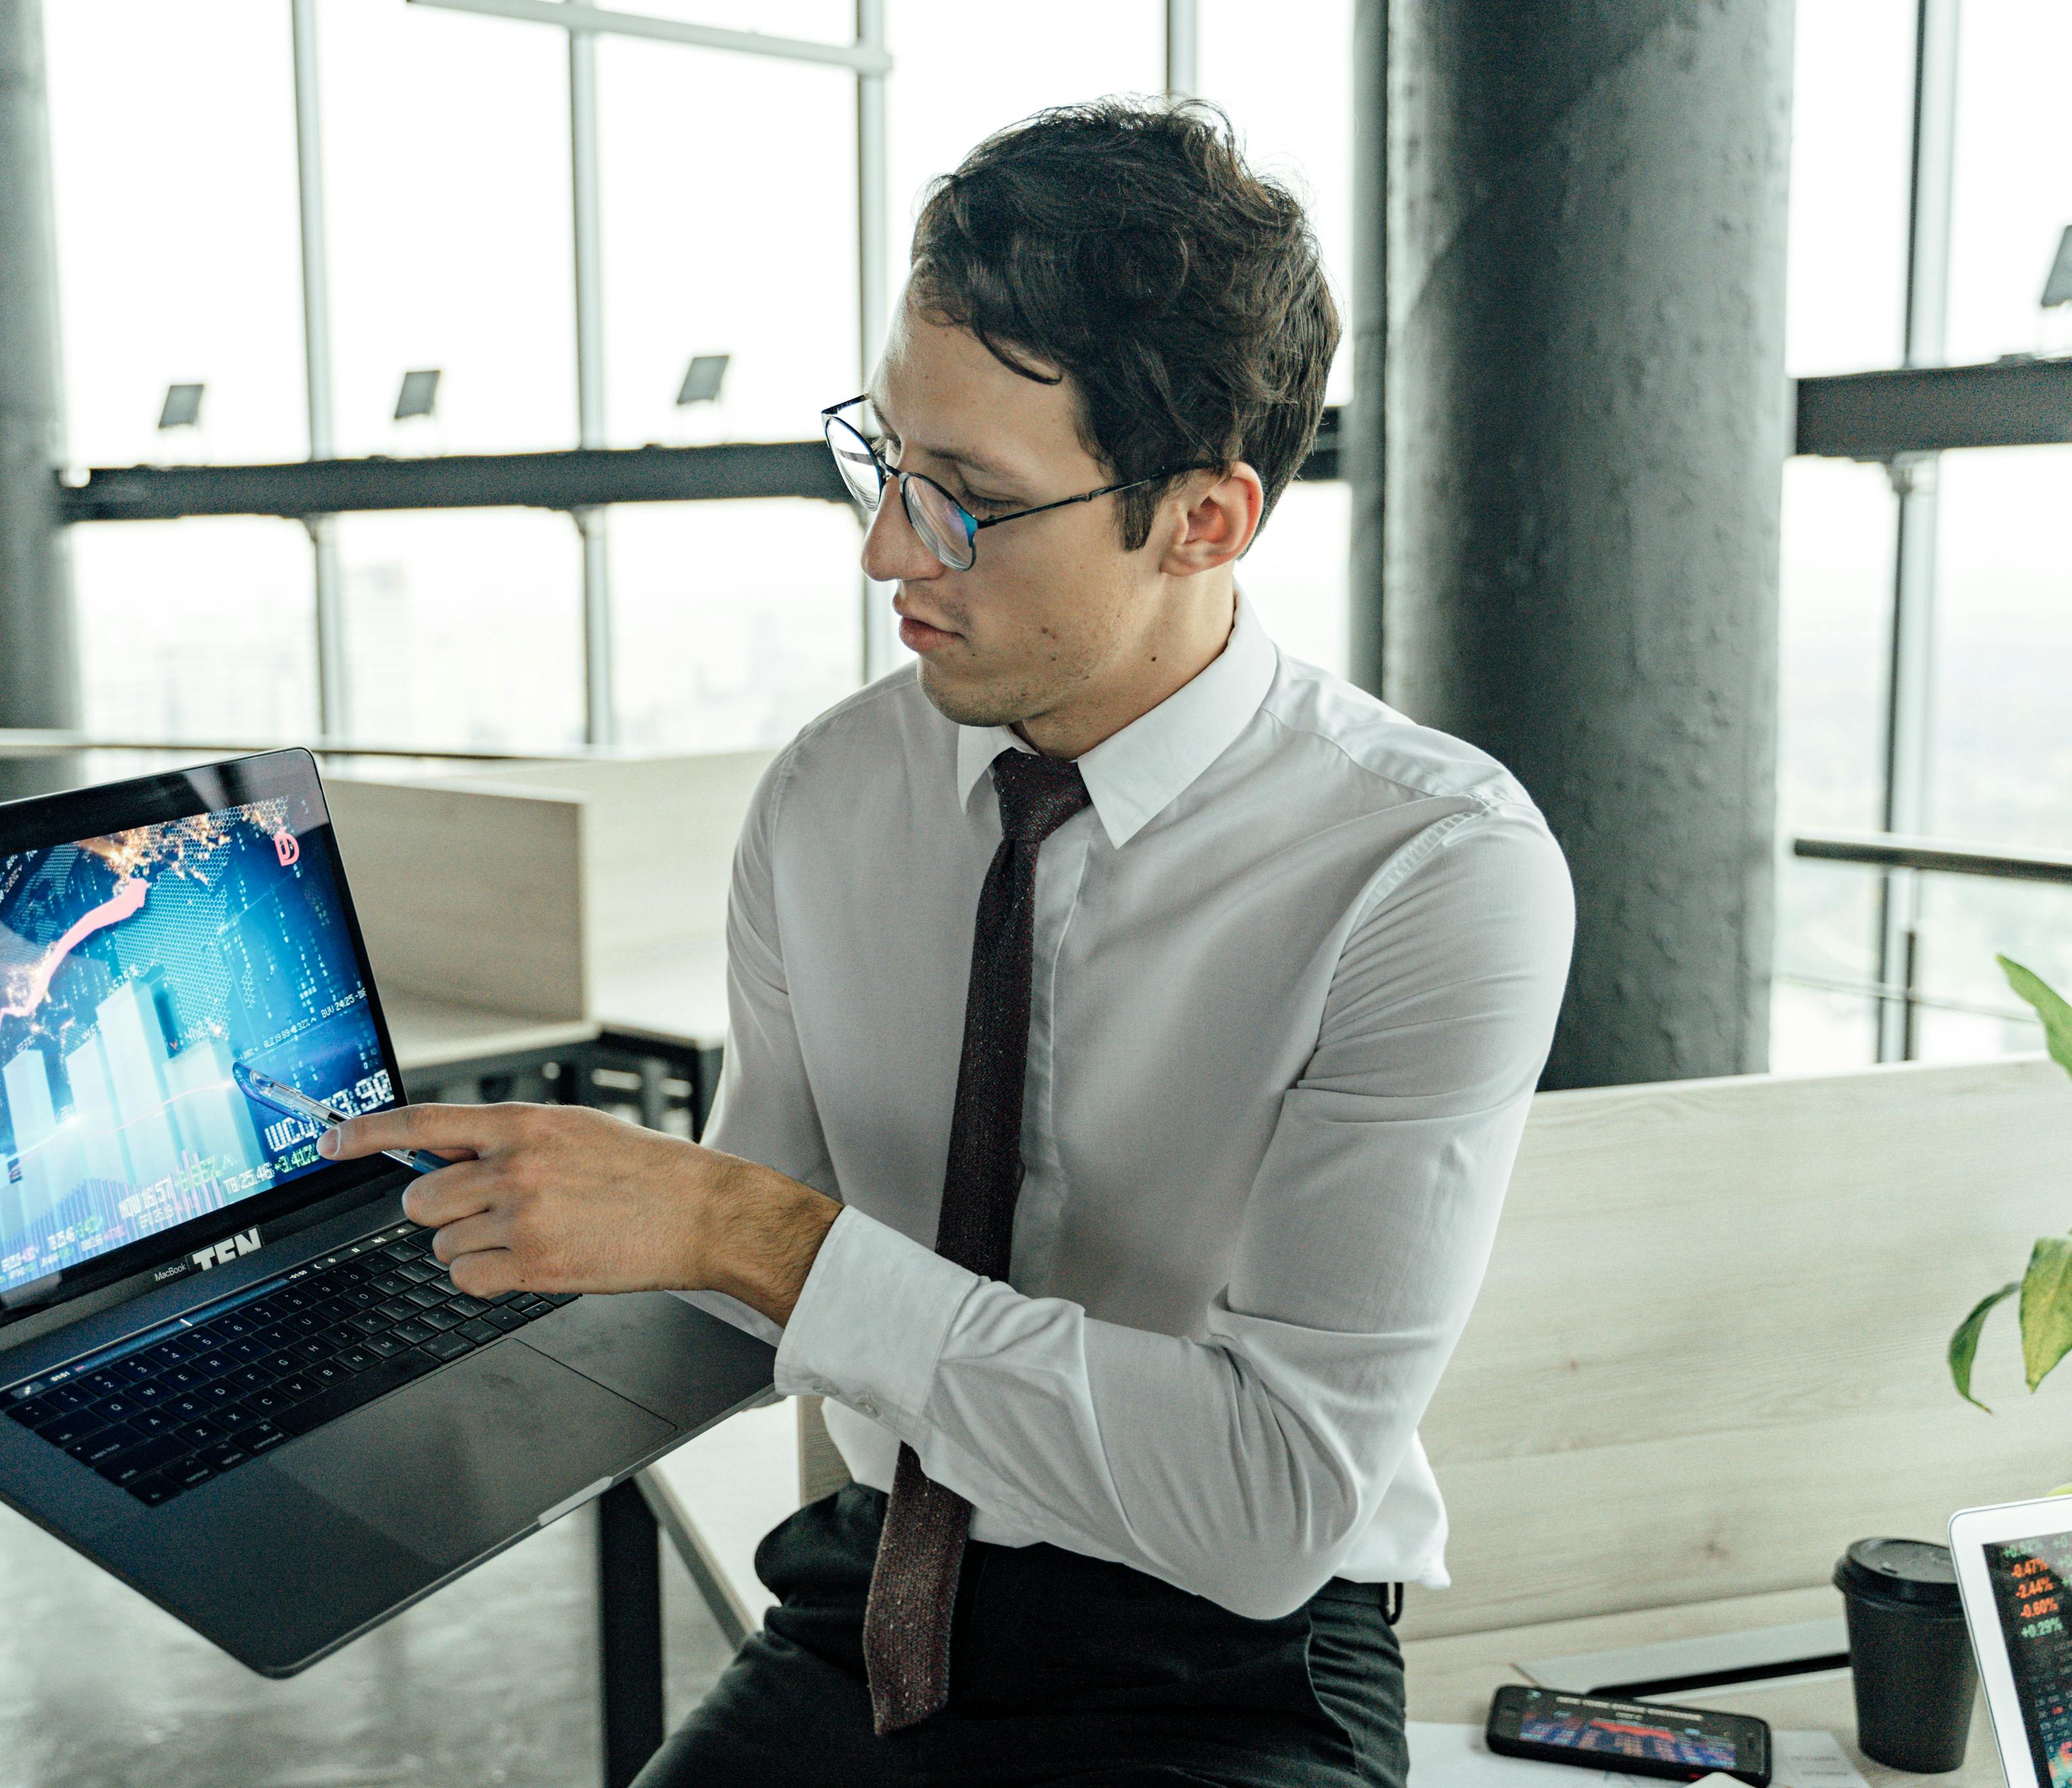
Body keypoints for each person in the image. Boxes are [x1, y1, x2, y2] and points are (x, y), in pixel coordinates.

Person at [329, 96, 1575, 1787]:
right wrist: (403, 1311)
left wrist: (747, 1231)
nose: (884, 552)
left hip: (1224, 1663)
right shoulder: (835, 794)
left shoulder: (1428, 870)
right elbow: (731, 1295)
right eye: (885, 461)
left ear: (1205, 519)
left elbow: (1272, 1505)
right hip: (869, 1604)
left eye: (969, 499)